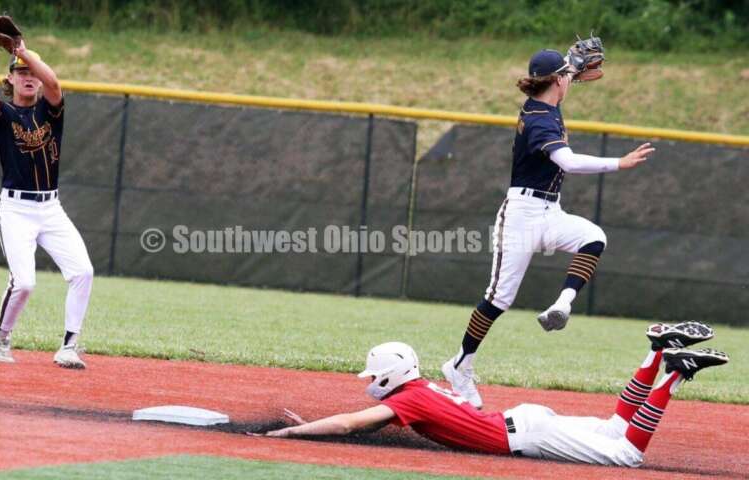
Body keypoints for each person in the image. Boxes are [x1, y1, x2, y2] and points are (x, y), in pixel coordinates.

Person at [441, 48, 656, 408]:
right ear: (556, 81)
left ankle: (562, 304)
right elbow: (567, 162)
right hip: (522, 214)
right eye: (565, 76)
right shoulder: (539, 117)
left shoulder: (546, 100)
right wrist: (618, 163)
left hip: (549, 209)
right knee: (499, 298)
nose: (569, 78)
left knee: (593, 237)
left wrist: (571, 69)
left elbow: (561, 78)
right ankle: (460, 365)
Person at [260, 322, 727, 467]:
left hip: (527, 434)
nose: (370, 381)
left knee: (626, 453)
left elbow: (349, 423)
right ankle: (656, 350)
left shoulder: (410, 399)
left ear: (391, 375)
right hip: (523, 420)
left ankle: (673, 374)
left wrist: (293, 433)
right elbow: (362, 419)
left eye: (374, 374)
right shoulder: (422, 390)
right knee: (614, 427)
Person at [0, 21, 93, 368]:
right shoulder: (4, 115)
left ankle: (69, 345)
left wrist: (22, 51)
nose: (28, 75)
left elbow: (53, 83)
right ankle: (1, 335)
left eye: (30, 70)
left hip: (51, 208)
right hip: (16, 210)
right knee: (24, 283)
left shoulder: (51, 111)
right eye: (20, 72)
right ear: (11, 80)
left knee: (83, 271)